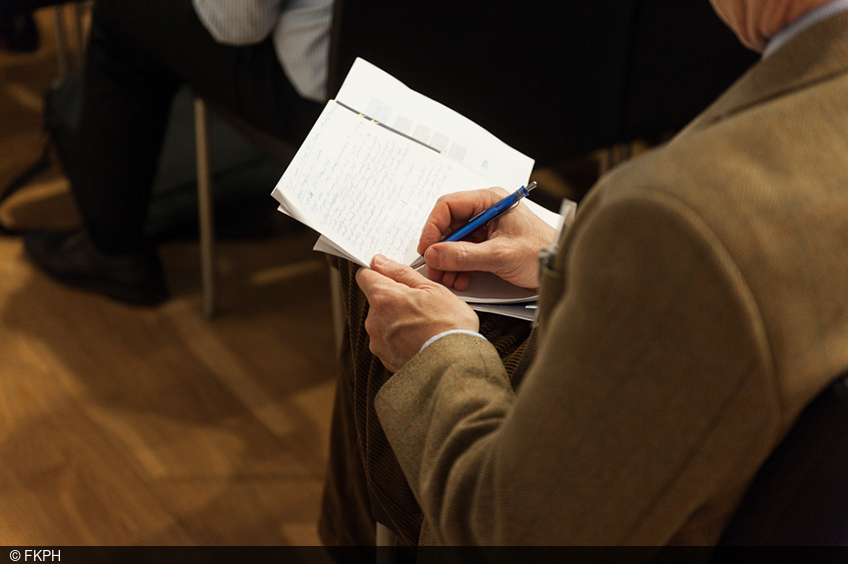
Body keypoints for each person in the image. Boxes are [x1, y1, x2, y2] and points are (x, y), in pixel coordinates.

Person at [323, 0, 848, 546]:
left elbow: (515, 532)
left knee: (373, 283)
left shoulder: (677, 220)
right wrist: (571, 248)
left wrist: (436, 348)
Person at [23, 0, 332, 305]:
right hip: (356, 81)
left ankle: (113, 252)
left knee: (122, 12)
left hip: (320, 103)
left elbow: (238, 26)